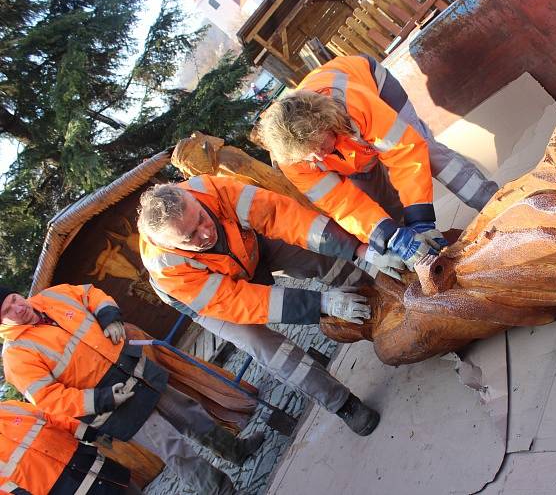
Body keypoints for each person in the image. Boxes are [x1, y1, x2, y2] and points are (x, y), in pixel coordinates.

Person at [137, 174, 381, 436]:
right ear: (170, 244)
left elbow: (280, 214)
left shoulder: (213, 189)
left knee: (317, 257)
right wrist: (320, 303)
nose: (206, 234)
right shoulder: (167, 267)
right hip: (211, 299)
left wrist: (355, 247)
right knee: (265, 346)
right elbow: (239, 302)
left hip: (248, 245)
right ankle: (344, 404)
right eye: (190, 237)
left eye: (201, 219)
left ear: (194, 199)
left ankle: (384, 305)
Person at [0, 284, 261, 494]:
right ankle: (222, 490)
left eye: (13, 298)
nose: (16, 307)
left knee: (190, 413)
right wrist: (102, 399)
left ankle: (236, 450)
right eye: (6, 310)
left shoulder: (53, 296)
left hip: (137, 371)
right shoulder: (16, 356)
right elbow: (49, 399)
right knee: (173, 448)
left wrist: (109, 317)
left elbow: (91, 294)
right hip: (113, 406)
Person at [253, 55, 499, 271]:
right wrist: (394, 237)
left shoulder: (353, 103)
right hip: (350, 148)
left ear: (324, 124)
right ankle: (425, 254)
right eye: (309, 157)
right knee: (378, 204)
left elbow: (406, 153)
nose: (317, 159)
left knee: (429, 153)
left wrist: (421, 219)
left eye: (318, 147)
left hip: (375, 88)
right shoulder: (293, 159)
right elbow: (342, 204)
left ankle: (494, 202)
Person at [0, 400, 140, 495]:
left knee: (129, 487)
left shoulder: (7, 407)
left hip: (87, 461)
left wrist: (90, 433)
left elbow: (53, 417)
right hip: (59, 489)